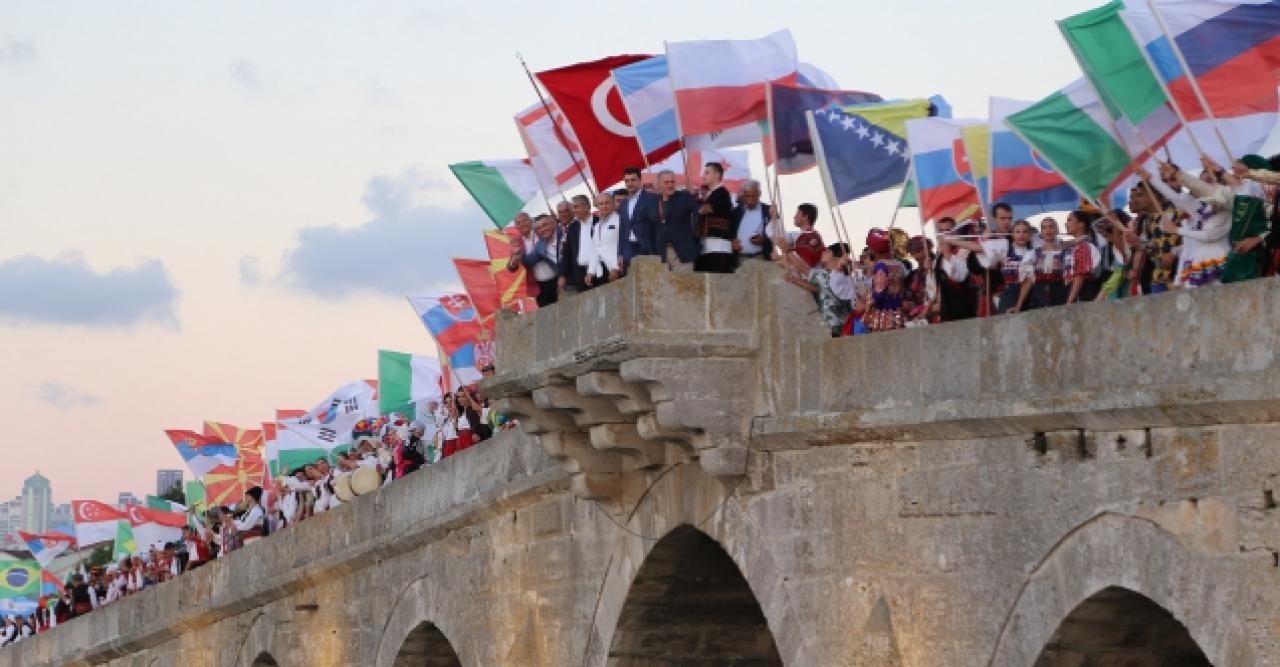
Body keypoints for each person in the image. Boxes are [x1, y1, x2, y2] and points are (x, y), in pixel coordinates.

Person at [1145, 159, 1232, 288]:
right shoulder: (1201, 208)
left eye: (1208, 181)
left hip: (1220, 262)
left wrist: (1177, 230)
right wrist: (1150, 178)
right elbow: (1174, 197)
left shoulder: (1226, 206)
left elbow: (1210, 236)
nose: (1202, 185)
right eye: (1201, 181)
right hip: (1197, 263)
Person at [783, 242, 851, 336]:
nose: (823, 253)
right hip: (846, 326)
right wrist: (794, 279)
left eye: (827, 252)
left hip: (833, 326)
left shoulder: (825, 275)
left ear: (837, 257)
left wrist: (787, 251)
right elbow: (817, 289)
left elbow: (802, 268)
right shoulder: (844, 276)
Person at [651, 169, 699, 271]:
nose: (670, 185)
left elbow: (697, 210)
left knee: (684, 285)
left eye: (672, 182)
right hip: (661, 253)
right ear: (659, 184)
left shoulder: (684, 197)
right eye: (666, 182)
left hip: (683, 253)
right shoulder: (653, 201)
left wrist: (701, 209)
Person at [694, 162, 735, 273]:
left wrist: (700, 209)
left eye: (707, 173)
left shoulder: (721, 193)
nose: (703, 175)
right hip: (706, 244)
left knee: (718, 281)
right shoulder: (709, 194)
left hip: (719, 245)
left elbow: (707, 209)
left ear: (717, 175)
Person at [617, 166, 658, 269]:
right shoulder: (623, 203)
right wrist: (620, 254)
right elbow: (622, 229)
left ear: (640, 180)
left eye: (633, 180)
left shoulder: (652, 198)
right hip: (628, 250)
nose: (630, 183)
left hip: (646, 247)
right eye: (627, 181)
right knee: (632, 283)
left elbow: (656, 225)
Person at [730, 179, 774, 267]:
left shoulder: (769, 211)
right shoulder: (735, 212)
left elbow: (778, 235)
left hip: (760, 258)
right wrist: (731, 243)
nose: (749, 200)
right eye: (747, 196)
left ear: (759, 194)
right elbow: (728, 233)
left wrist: (764, 240)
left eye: (753, 196)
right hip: (739, 260)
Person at [558, 194, 595, 294]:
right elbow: (567, 254)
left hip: (599, 271)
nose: (574, 210)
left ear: (587, 206)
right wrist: (562, 275)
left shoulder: (598, 222)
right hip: (580, 276)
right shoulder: (573, 228)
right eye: (573, 207)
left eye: (576, 207)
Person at [1064, 208, 1102, 304]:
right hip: (1074, 290)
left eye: (1070, 220)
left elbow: (1080, 275)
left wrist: (1070, 300)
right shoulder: (1074, 247)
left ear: (1081, 224)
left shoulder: (1083, 246)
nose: (1066, 224)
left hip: (1082, 293)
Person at [585, 191, 622, 287]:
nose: (604, 206)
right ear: (597, 206)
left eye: (607, 202)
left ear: (613, 203)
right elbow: (595, 250)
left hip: (618, 268)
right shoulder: (596, 226)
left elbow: (623, 244)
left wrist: (617, 268)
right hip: (603, 270)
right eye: (601, 204)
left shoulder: (620, 220)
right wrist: (590, 272)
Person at [775, 203, 824, 269]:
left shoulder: (808, 238)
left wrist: (781, 258)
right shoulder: (810, 235)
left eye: (797, 214)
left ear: (805, 217)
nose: (794, 216)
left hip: (811, 277)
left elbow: (803, 267)